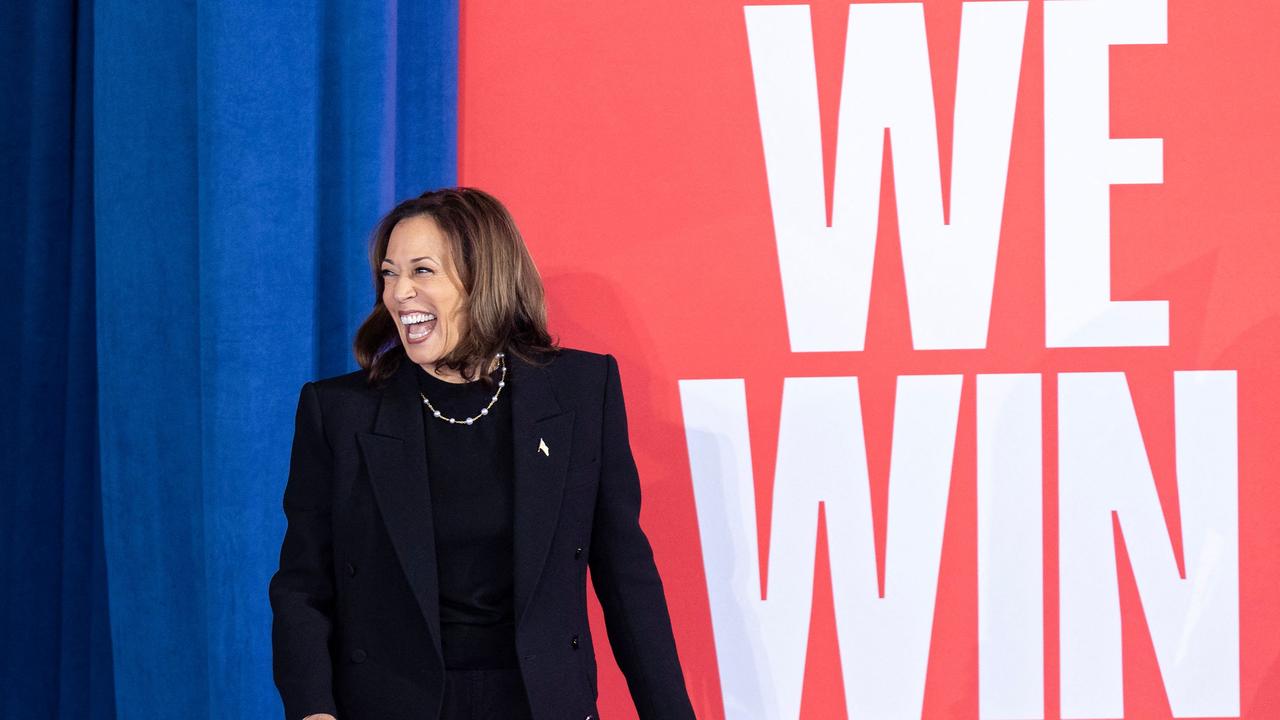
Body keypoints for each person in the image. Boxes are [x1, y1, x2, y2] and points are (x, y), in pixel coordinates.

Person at [268, 187, 697, 720]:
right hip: (392, 700)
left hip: (539, 702)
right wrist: (313, 711)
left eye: (422, 271)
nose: (399, 295)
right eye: (389, 273)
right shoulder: (338, 411)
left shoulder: (582, 391)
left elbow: (626, 575)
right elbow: (303, 586)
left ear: (483, 279)